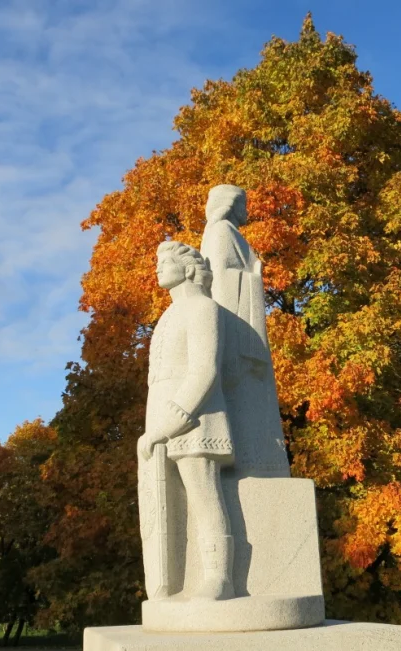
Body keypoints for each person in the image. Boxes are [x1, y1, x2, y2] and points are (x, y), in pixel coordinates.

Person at [138, 240, 235, 600]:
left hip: (197, 418)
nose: (158, 267)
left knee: (203, 492)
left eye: (166, 261)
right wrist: (156, 426)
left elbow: (204, 372)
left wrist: (171, 421)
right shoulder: (168, 315)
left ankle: (218, 578)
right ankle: (170, 584)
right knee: (167, 501)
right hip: (163, 419)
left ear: (190, 268)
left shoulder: (202, 308)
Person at [200, 185, 290, 477]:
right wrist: (254, 277)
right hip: (236, 320)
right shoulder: (221, 233)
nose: (247, 211)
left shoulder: (229, 232)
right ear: (230, 204)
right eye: (243, 204)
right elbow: (221, 279)